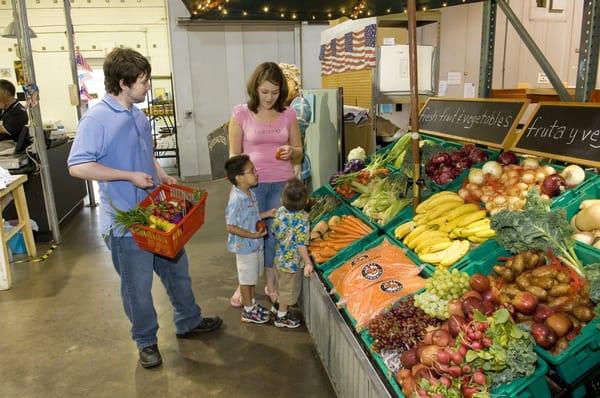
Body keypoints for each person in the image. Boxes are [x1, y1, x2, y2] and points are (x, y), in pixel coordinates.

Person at [67, 48, 222, 369]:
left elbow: (144, 152)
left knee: (178, 272)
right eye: (143, 81)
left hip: (157, 215)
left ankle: (188, 321)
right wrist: (126, 176)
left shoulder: (138, 115)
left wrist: (160, 173)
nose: (148, 86)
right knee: (137, 289)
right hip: (125, 224)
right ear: (122, 83)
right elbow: (78, 166)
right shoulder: (96, 119)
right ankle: (146, 341)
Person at [228, 62, 303, 307]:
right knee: (249, 235)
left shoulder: (289, 114)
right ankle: (244, 285)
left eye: (274, 92)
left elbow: (299, 153)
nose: (270, 98)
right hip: (252, 188)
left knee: (273, 235)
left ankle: (271, 283)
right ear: (255, 89)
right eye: (265, 92)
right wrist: (240, 188)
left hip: (281, 182)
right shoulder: (241, 114)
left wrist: (291, 151)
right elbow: (233, 157)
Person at [224, 155, 276, 324]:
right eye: (252, 171)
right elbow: (231, 226)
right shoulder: (237, 199)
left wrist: (266, 214)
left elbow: (251, 216)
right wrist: (253, 235)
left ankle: (252, 304)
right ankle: (248, 311)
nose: (256, 173)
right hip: (245, 248)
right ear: (239, 178)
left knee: (252, 278)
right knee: (246, 281)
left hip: (254, 245)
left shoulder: (250, 193)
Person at [271, 179, 314, 328]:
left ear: (282, 199)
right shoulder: (303, 219)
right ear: (306, 200)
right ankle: (281, 317)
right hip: (292, 264)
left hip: (279, 258)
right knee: (288, 292)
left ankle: (276, 307)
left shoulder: (280, 211)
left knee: (281, 285)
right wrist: (308, 262)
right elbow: (301, 244)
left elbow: (274, 231)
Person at [278, 64, 312, 182]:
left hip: (297, 166)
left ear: (296, 84)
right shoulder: (282, 106)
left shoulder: (300, 103)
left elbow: (296, 127)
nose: (284, 88)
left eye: (287, 81)